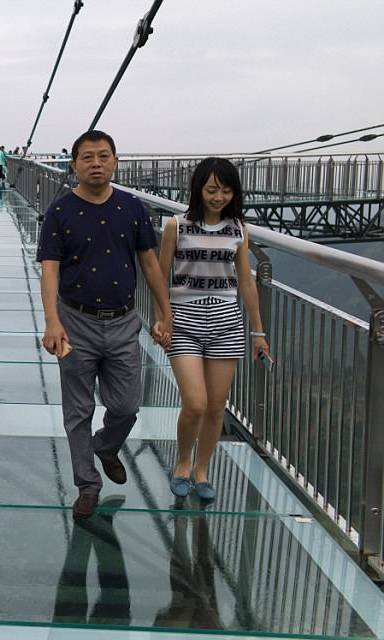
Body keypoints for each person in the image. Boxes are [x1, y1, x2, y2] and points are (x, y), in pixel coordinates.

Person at [37, 130, 173, 519]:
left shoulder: (131, 208)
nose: (96, 164)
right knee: (77, 410)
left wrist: (164, 313)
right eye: (87, 157)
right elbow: (49, 271)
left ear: (115, 162)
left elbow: (150, 264)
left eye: (103, 156)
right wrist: (52, 322)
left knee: (126, 406)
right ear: (74, 165)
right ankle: (87, 485)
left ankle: (107, 447)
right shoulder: (59, 213)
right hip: (75, 321)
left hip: (122, 321)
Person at [158, 157, 270, 501]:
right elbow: (160, 277)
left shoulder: (239, 229)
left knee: (216, 406)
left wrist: (258, 331)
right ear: (198, 189)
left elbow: (246, 283)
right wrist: (162, 319)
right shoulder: (176, 226)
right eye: (211, 189)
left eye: (225, 190)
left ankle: (202, 471)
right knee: (195, 402)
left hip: (226, 324)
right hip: (185, 322)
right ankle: (182, 464)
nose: (218, 196)